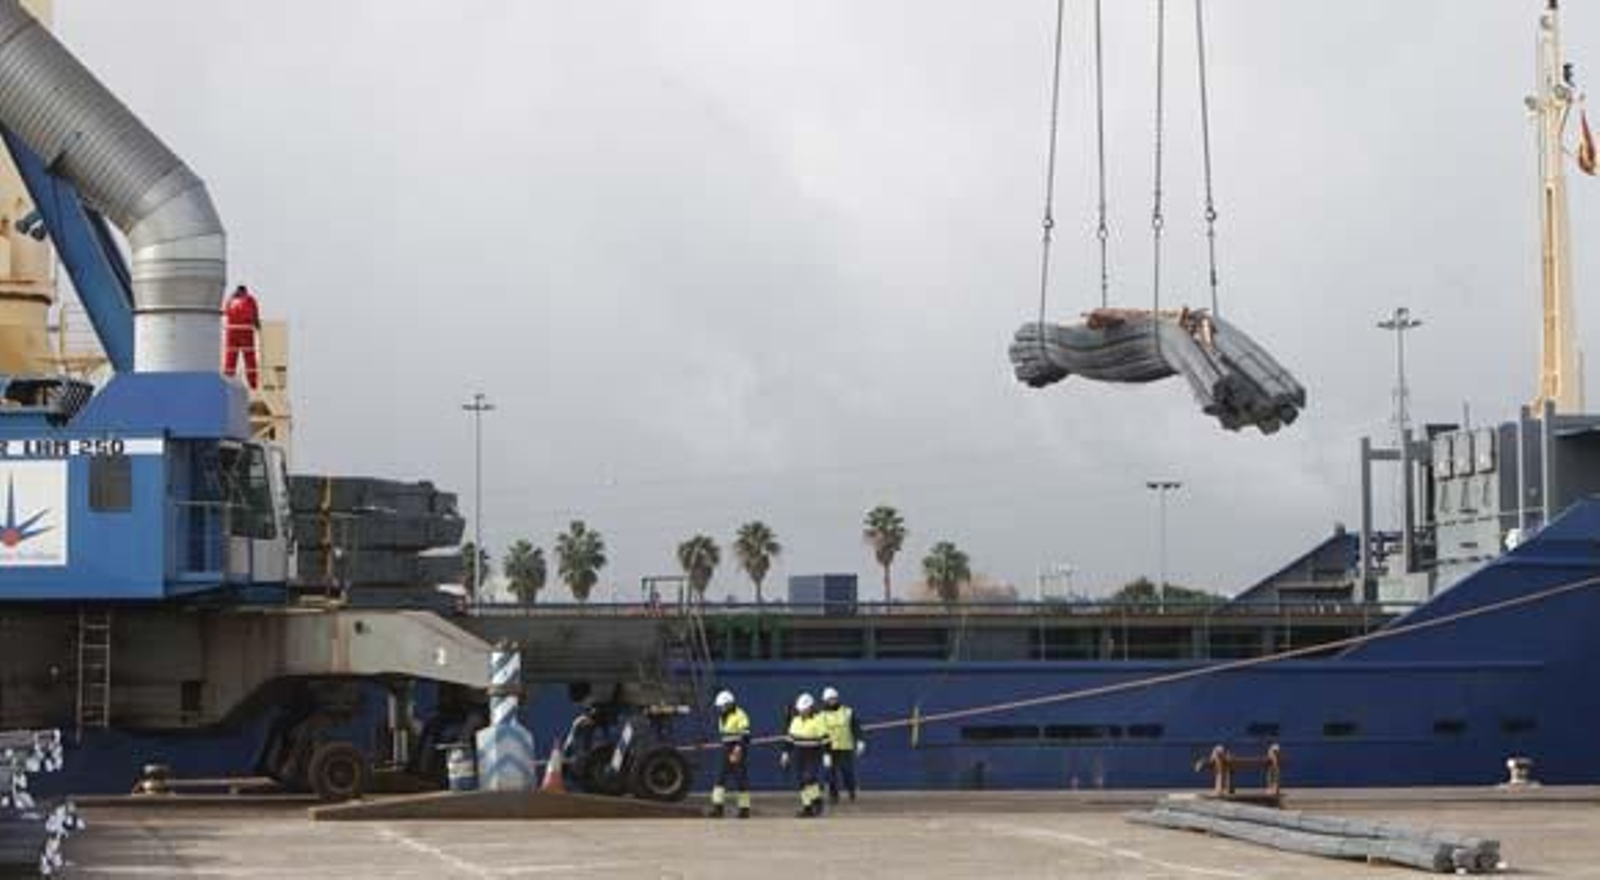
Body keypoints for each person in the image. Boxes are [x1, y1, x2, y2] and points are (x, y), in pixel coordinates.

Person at [780, 692, 830, 817]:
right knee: (801, 781)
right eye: (801, 709)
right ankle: (807, 808)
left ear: (811, 708)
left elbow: (825, 739)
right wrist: (785, 753)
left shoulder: (818, 720)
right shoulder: (795, 721)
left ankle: (817, 800)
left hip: (813, 753)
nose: (802, 711)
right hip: (799, 753)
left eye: (805, 709)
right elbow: (790, 739)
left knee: (810, 778)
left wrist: (826, 754)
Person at [708, 690, 751, 819]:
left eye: (721, 706)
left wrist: (737, 750)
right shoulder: (723, 716)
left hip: (737, 748)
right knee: (719, 778)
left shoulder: (740, 715)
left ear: (729, 704)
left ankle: (744, 809)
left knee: (741, 779)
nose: (719, 709)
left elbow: (746, 735)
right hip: (726, 748)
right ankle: (717, 808)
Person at [818, 686, 865, 803]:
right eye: (829, 699)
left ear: (837, 698)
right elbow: (820, 734)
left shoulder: (847, 711)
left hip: (845, 748)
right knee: (830, 773)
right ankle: (834, 796)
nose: (831, 701)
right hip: (830, 749)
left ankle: (851, 790)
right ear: (825, 701)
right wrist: (824, 753)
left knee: (847, 771)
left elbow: (856, 727)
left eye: (833, 699)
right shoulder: (821, 715)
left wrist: (860, 741)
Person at [222, 284, 261, 389]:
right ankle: (253, 384)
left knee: (230, 358)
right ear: (245, 291)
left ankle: (227, 381)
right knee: (249, 358)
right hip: (245, 331)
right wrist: (257, 325)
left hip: (232, 332)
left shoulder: (231, 300)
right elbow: (254, 314)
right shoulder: (249, 299)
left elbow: (226, 312)